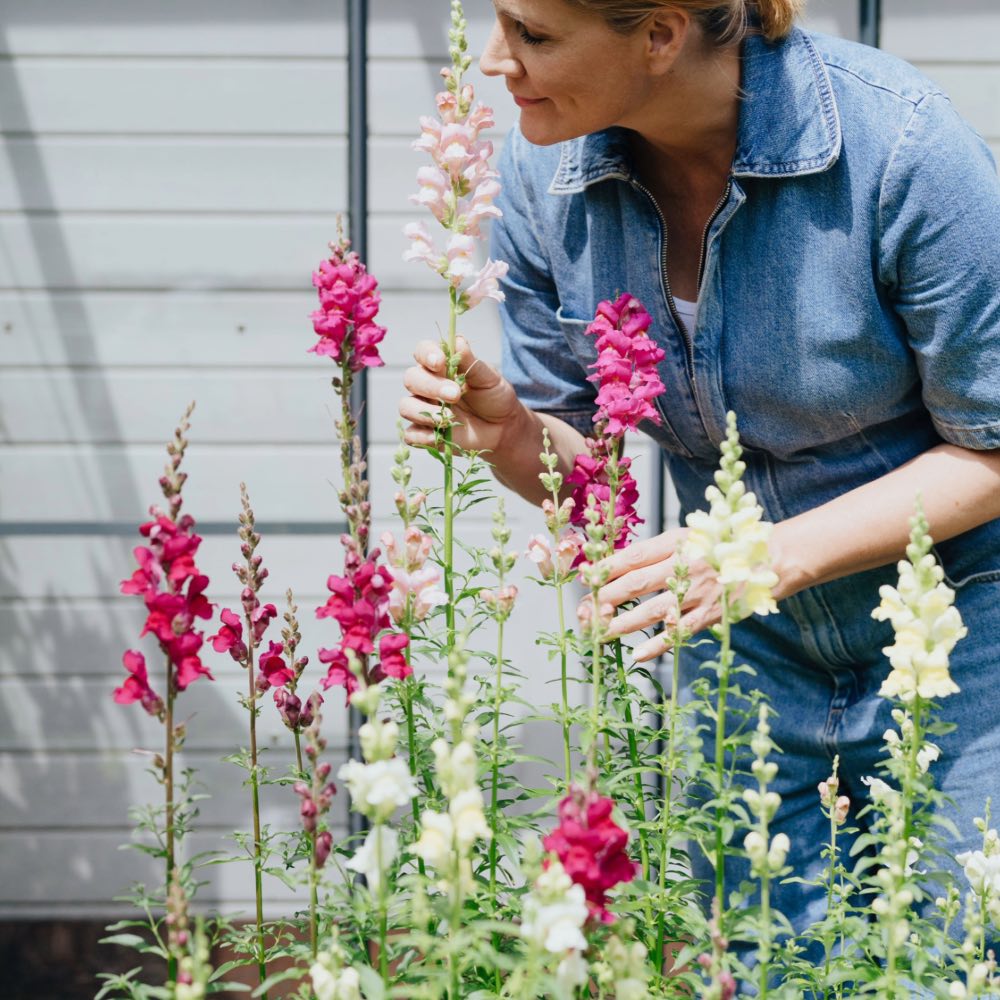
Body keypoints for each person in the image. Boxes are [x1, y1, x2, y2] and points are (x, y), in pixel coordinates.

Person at [398, 0, 1000, 943]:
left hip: (960, 620)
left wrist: (763, 554)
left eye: (534, 34)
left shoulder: (902, 150)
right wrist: (513, 435)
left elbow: (993, 451)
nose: (493, 61)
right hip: (743, 636)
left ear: (660, 35)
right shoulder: (538, 168)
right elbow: (589, 457)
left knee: (953, 949)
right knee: (765, 955)